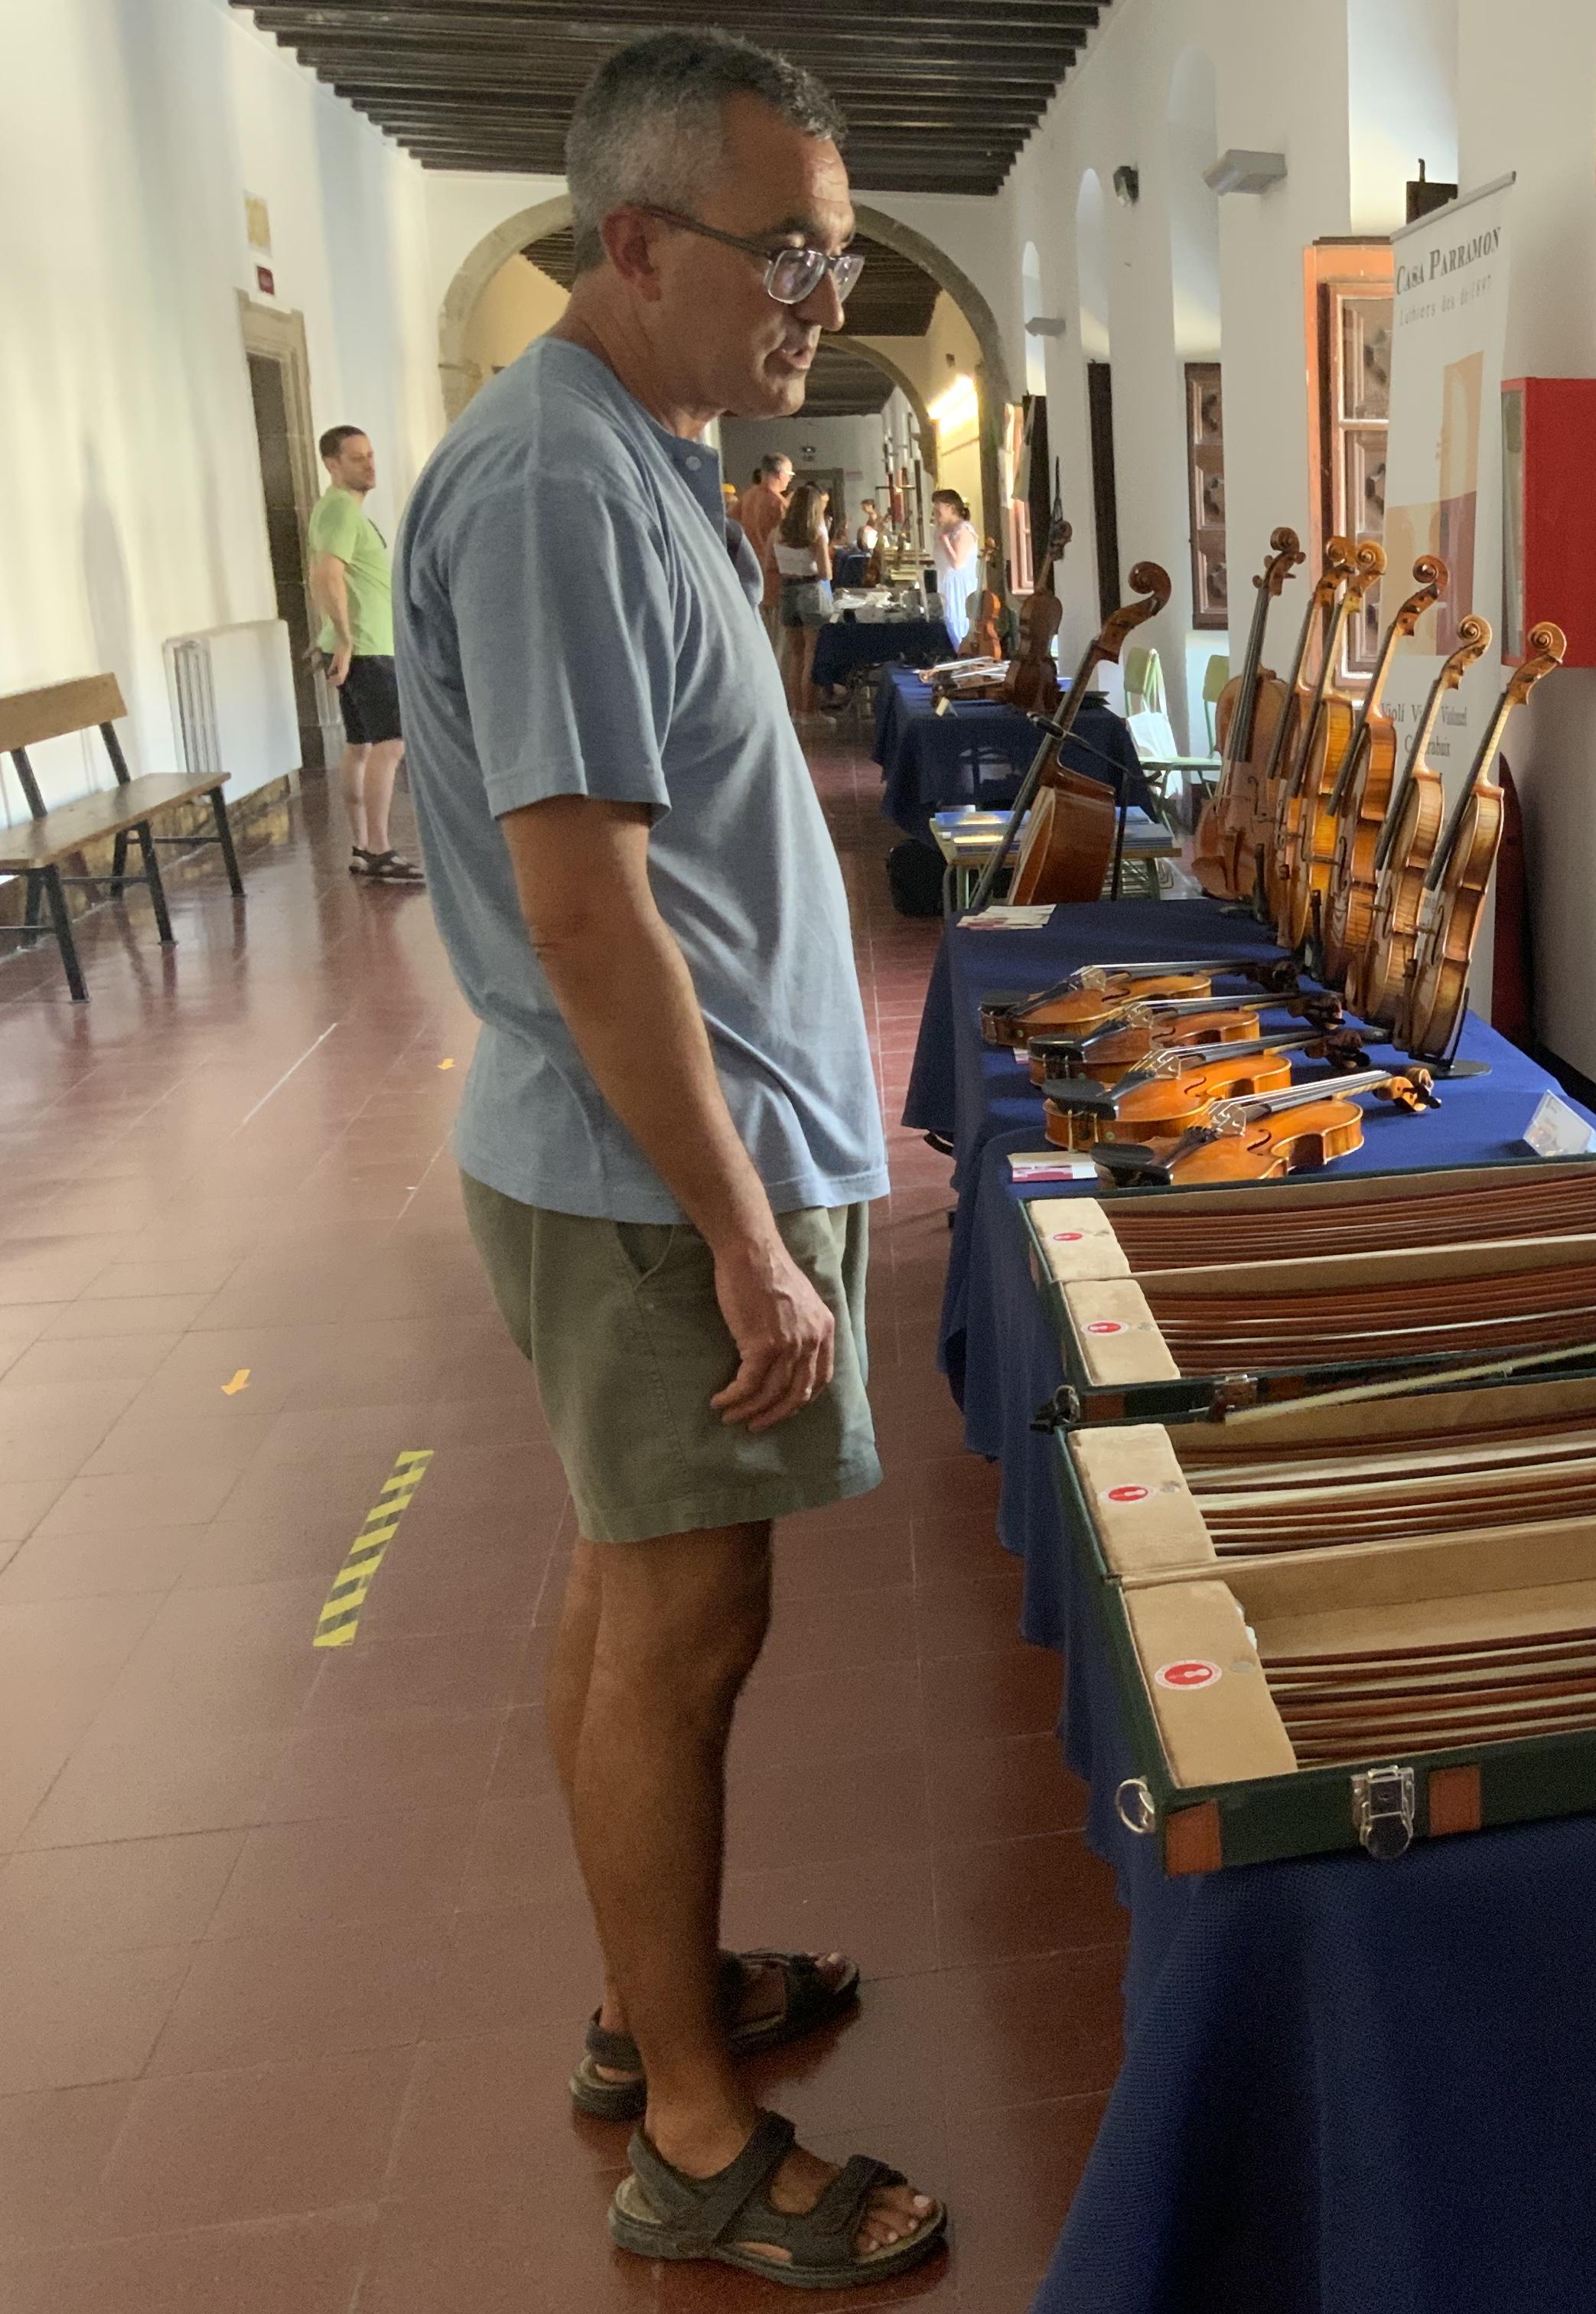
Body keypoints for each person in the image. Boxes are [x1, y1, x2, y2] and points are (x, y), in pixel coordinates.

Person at [392, 27, 943, 2290]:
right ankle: (699, 2144)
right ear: (635, 247)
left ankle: (653, 2007)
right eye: (788, 256)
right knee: (684, 1622)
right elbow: (589, 906)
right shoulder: (550, 483)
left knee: (638, 1585)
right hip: (649, 1184)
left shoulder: (638, 447)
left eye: (835, 255)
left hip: (662, 1165)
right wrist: (748, 1240)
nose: (823, 297)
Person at [307, 425, 420, 883]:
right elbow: (326, 576)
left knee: (361, 746)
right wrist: (347, 639)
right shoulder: (338, 512)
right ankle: (378, 847)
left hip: (365, 645)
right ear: (332, 465)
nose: (369, 464)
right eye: (356, 458)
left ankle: (361, 845)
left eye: (370, 454)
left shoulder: (343, 511)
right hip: (368, 648)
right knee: (391, 744)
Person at [772, 481, 831, 715]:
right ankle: (810, 711)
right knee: (811, 655)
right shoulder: (815, 533)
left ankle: (795, 710)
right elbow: (826, 573)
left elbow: (771, 563)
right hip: (810, 590)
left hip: (787, 590)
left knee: (795, 656)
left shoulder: (778, 532)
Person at [734, 452, 790, 653]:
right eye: (790, 473)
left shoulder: (748, 496)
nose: (790, 479)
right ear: (779, 474)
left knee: (759, 638)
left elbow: (729, 526)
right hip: (775, 579)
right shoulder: (780, 505)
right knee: (780, 644)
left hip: (749, 573)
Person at [930, 487, 979, 644]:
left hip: (959, 587)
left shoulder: (963, 531)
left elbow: (957, 563)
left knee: (957, 623)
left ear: (951, 508)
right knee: (945, 624)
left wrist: (945, 542)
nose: (936, 516)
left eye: (939, 511)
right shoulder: (941, 530)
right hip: (945, 583)